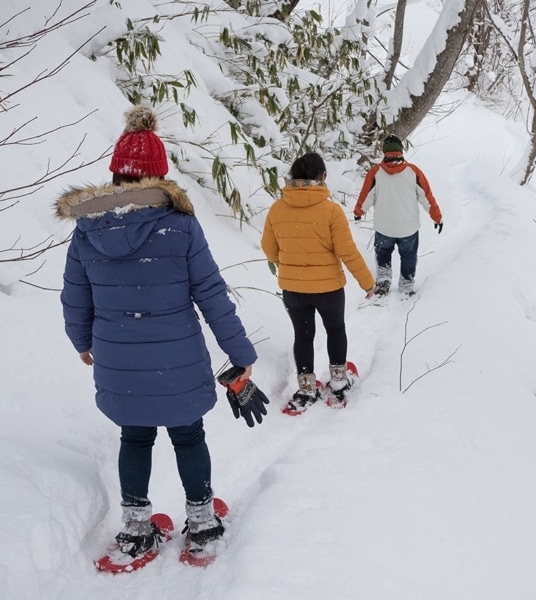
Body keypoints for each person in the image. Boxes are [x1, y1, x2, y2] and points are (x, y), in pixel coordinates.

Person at [57, 105, 257, 562]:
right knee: (188, 436)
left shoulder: (88, 229)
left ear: (115, 172)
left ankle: (135, 529)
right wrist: (239, 351)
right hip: (177, 360)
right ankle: (203, 523)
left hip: (118, 360)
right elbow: (211, 294)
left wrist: (82, 342)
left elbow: (75, 296)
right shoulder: (180, 225)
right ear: (160, 174)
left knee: (135, 437)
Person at [261, 152, 375, 413]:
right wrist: (367, 283)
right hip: (329, 290)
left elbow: (269, 250)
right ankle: (338, 383)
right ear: (322, 176)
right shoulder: (331, 211)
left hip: (293, 289)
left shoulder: (277, 209)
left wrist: (290, 261)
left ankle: (306, 388)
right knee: (335, 330)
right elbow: (348, 252)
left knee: (303, 336)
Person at [353, 134, 443, 297]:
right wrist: (437, 217)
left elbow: (366, 196)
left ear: (384, 152)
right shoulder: (413, 172)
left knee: (383, 253)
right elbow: (427, 197)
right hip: (408, 228)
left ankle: (383, 280)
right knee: (409, 256)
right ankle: (406, 285)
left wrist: (358, 212)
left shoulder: (376, 173)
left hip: (384, 227)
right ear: (400, 151)